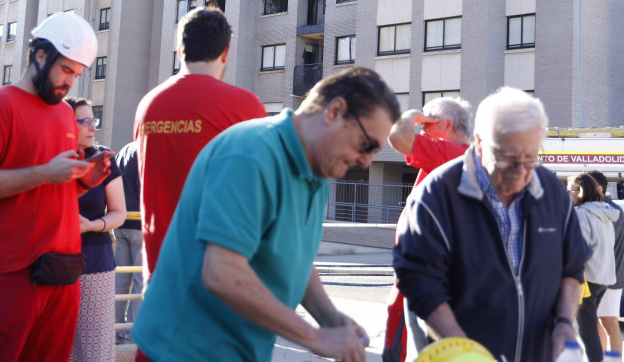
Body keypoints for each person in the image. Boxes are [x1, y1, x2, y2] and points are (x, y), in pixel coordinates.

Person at [132, 67, 400, 362]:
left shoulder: (319, 166)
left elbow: (295, 258)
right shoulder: (251, 153)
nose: (366, 161)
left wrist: (329, 317)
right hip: (184, 351)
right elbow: (222, 273)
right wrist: (315, 338)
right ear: (334, 111)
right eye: (368, 145)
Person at [0, 13, 112, 362]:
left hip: (61, 271)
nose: (70, 82)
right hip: (6, 274)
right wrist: (44, 173)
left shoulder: (63, 114)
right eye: (66, 70)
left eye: (76, 74)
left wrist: (84, 182)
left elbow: (53, 187)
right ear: (41, 56)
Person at [394, 87, 588, 362]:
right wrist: (465, 352)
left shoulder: (552, 193)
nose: (521, 171)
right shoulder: (434, 197)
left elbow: (572, 267)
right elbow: (421, 284)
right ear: (479, 141)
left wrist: (566, 324)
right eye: (507, 158)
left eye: (531, 157)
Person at [134, 7, 266, 282]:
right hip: (219, 278)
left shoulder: (148, 105)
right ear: (226, 53)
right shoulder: (244, 106)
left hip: (159, 274)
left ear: (179, 51)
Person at [383, 97, 472, 361]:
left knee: (417, 327)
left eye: (427, 123)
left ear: (446, 125)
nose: (421, 129)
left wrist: (412, 114)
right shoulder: (457, 155)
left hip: (429, 264)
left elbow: (398, 135)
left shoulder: (451, 153)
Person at [65, 97, 125, 362]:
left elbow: (119, 213)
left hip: (95, 265)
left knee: (95, 350)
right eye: (84, 121)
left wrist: (93, 225)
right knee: (55, 347)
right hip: (49, 264)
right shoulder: (47, 162)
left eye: (94, 120)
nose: (92, 127)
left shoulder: (104, 159)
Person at [568, 172, 619, 362]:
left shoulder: (581, 214)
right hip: (602, 278)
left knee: (587, 332)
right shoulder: (603, 211)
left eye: (570, 190)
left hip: (586, 281)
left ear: (580, 192)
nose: (568, 194)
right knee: (588, 329)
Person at [586, 170, 624, 355]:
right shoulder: (596, 208)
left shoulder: (612, 211)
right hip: (597, 277)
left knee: (610, 323)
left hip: (611, 278)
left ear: (599, 188)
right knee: (594, 323)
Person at [112, 141, 142, 344]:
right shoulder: (145, 150)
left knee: (120, 278)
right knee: (141, 280)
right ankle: (131, 331)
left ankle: (114, 330)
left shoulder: (124, 150)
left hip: (119, 222)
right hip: (140, 223)